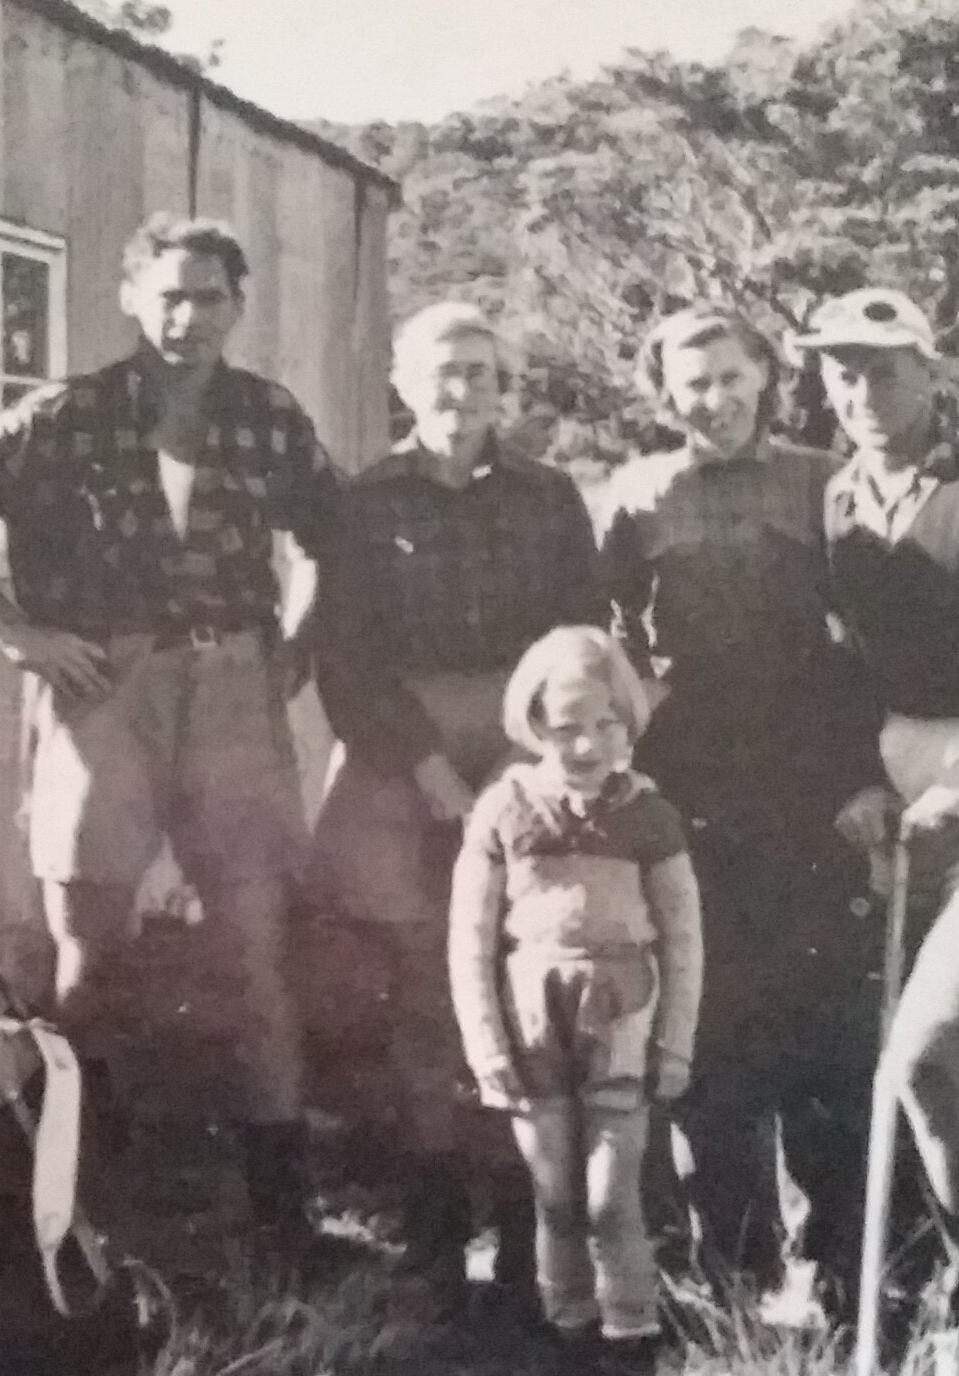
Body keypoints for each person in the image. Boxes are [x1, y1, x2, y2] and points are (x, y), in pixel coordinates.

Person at [0, 213, 332, 1247]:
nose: (186, 317)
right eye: (167, 296)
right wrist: (11, 626)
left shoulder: (266, 417)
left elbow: (331, 534)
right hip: (101, 686)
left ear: (236, 305)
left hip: (231, 684)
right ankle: (77, 1207)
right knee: (91, 951)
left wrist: (293, 641)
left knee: (254, 951)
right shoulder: (65, 414)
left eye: (208, 297)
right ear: (131, 299)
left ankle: (285, 1221)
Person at [311, 302, 604, 1304]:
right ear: (401, 381)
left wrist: (530, 767)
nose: (462, 389)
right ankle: (432, 1237)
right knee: (420, 993)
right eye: (442, 370)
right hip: (397, 752)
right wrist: (430, 772)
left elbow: (581, 640)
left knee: (528, 982)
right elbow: (343, 661)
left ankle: (529, 1240)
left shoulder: (549, 494)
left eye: (481, 371)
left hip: (522, 753)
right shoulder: (362, 501)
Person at [598, 306, 879, 1318]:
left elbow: (865, 640)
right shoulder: (634, 495)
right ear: (662, 394)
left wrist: (860, 773)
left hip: (811, 779)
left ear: (764, 375)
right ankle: (736, 1270)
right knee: (712, 1030)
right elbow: (604, 635)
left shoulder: (822, 480)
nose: (710, 399)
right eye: (689, 383)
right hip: (693, 785)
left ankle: (838, 1269)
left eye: (728, 376)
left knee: (819, 1028)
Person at [786, 287, 959, 1279]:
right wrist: (858, 779)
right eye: (839, 371)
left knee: (955, 1043)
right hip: (888, 772)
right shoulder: (838, 492)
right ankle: (900, 1265)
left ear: (930, 374)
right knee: (886, 1032)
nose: (859, 389)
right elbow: (835, 663)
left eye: (881, 368)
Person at [448, 625, 702, 1371]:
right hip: (532, 1020)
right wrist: (486, 1044)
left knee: (607, 1197)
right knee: (554, 1195)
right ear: (533, 727)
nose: (588, 747)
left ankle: (631, 1332)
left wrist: (677, 1042)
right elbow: (469, 936)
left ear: (628, 722)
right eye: (566, 731)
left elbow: (685, 939)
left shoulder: (650, 817)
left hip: (620, 1015)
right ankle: (568, 1328)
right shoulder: (504, 811)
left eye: (604, 726)